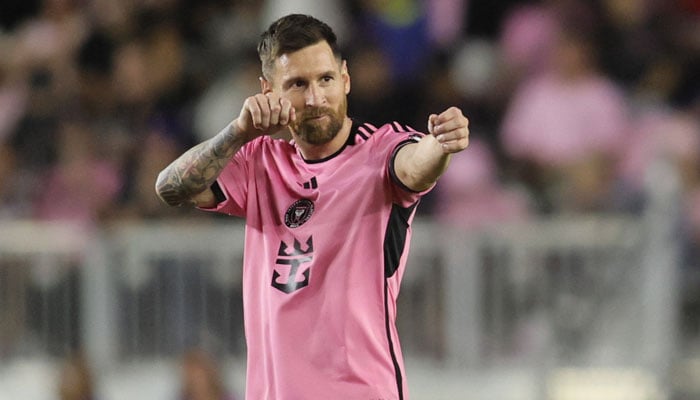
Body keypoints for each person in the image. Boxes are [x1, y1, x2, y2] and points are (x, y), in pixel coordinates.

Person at [155, 14, 469, 400]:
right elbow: (170, 187)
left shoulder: (381, 150)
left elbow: (416, 166)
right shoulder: (260, 162)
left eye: (326, 79)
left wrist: (440, 144)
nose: (316, 98)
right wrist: (238, 131)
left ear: (346, 78)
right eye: (298, 84)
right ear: (268, 90)